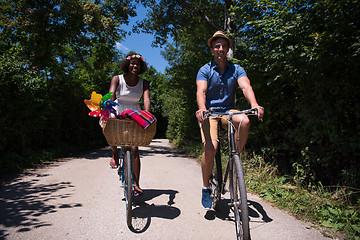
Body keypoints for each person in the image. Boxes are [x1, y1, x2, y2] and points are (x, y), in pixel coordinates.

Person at [195, 31, 264, 209]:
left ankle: (235, 158)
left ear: (228, 49)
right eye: (217, 46)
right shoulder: (205, 70)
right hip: (209, 113)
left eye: (224, 46)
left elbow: (245, 86)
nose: (221, 49)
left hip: (228, 111)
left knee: (245, 121)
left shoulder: (237, 69)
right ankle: (205, 187)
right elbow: (201, 91)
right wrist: (202, 108)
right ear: (212, 49)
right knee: (211, 148)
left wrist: (254, 104)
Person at [108, 52, 150, 196]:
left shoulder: (143, 82)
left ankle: (136, 183)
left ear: (141, 67)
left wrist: (147, 113)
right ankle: (115, 153)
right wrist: (107, 108)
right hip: (118, 108)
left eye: (137, 64)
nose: (134, 66)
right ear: (127, 65)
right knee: (109, 129)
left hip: (135, 112)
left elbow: (146, 99)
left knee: (134, 148)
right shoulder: (117, 79)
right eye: (132, 63)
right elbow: (111, 95)